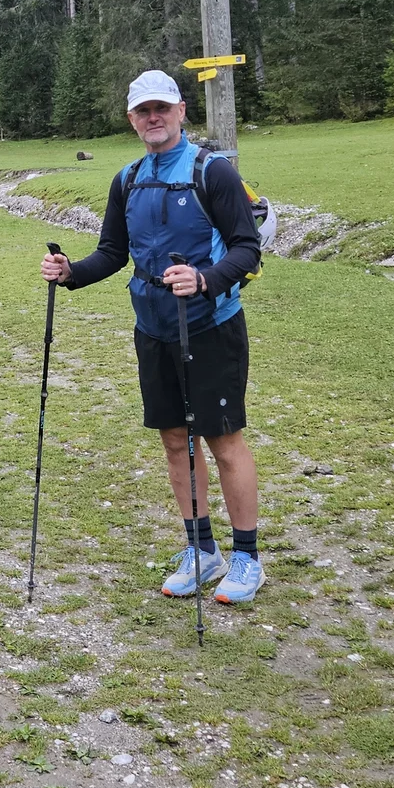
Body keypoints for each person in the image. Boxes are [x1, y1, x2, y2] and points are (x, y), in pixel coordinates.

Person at [41, 70, 265, 604]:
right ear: (132, 120)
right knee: (174, 440)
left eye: (162, 108)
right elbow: (113, 254)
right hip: (154, 329)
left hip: (211, 326)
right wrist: (70, 271)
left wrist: (205, 280)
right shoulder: (127, 179)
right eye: (144, 111)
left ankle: (246, 559)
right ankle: (201, 550)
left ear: (182, 110)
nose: (153, 118)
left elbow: (247, 248)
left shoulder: (214, 173)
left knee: (223, 440)